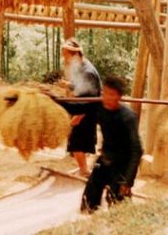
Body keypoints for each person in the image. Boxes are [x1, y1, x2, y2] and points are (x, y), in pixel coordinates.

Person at [80, 75, 143, 213]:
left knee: (118, 206)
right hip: (105, 160)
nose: (107, 97)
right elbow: (76, 107)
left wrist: (128, 181)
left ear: (119, 97)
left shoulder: (128, 117)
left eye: (112, 94)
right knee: (88, 200)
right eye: (105, 93)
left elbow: (137, 150)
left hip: (123, 165)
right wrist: (53, 99)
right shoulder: (100, 109)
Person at [61, 38, 101, 177]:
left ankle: (84, 170)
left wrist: (79, 116)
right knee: (80, 140)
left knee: (76, 141)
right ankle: (83, 168)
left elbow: (89, 96)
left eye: (66, 55)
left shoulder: (87, 71)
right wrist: (69, 85)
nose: (65, 59)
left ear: (76, 54)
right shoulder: (82, 67)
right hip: (84, 108)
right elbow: (81, 87)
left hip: (86, 110)